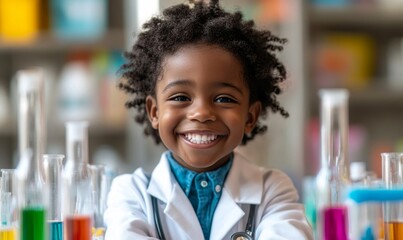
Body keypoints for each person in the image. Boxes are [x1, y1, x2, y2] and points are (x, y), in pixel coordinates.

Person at [104, 0, 313, 239]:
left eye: (224, 99)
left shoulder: (273, 190)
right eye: (181, 97)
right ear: (154, 112)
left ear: (250, 116)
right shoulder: (131, 193)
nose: (202, 113)